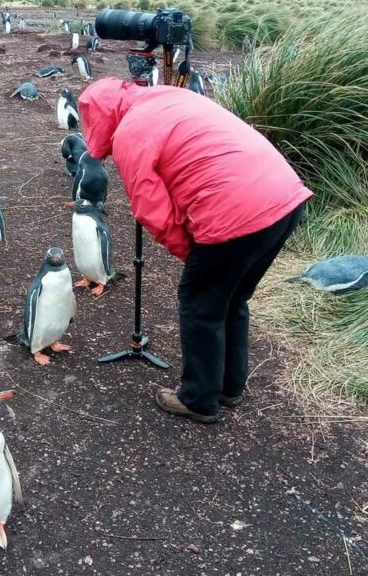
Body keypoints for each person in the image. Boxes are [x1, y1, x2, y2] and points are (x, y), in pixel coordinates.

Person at [79, 77, 312, 424]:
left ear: (102, 117)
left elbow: (152, 211)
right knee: (232, 297)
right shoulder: (169, 96)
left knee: (200, 303)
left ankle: (198, 398)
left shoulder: (130, 131)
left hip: (237, 213)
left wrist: (193, 256)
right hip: (285, 199)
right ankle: (229, 387)